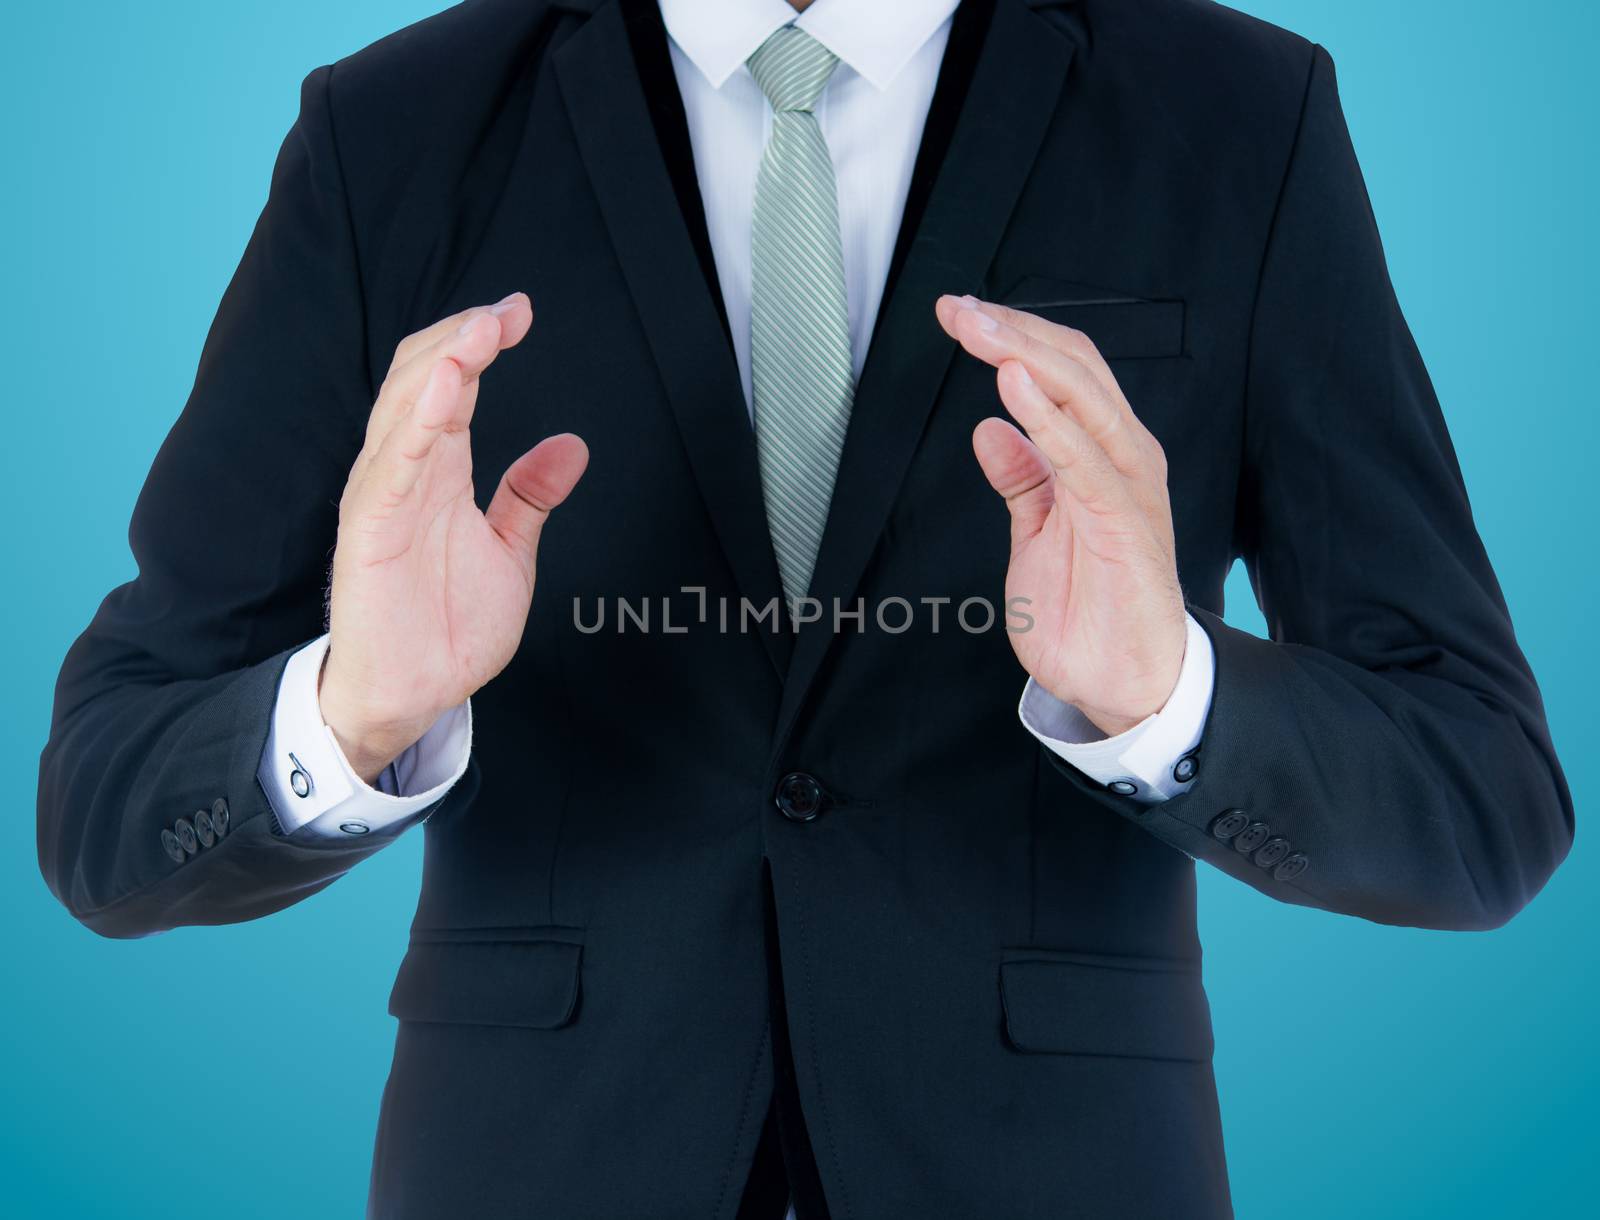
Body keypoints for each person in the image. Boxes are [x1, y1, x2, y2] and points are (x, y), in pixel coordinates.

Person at [36, 0, 1572, 1216]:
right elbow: (107, 815)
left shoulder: (1239, 117)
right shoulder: (391, 135)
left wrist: (1169, 693)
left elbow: (1481, 792)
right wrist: (353, 709)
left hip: (1058, 1171)